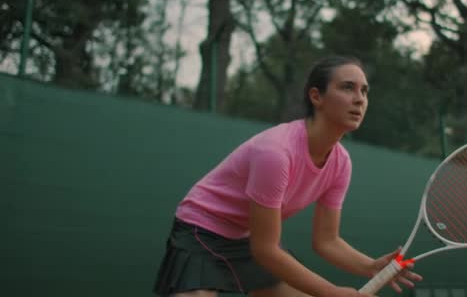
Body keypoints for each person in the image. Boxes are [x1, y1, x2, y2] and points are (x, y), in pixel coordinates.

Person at [153, 56, 422, 297]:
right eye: (347, 87)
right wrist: (330, 292)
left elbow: (326, 241)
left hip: (248, 238)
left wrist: (370, 266)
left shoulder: (341, 163)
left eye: (364, 91)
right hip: (203, 229)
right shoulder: (276, 152)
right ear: (316, 97)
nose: (360, 98)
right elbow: (266, 249)